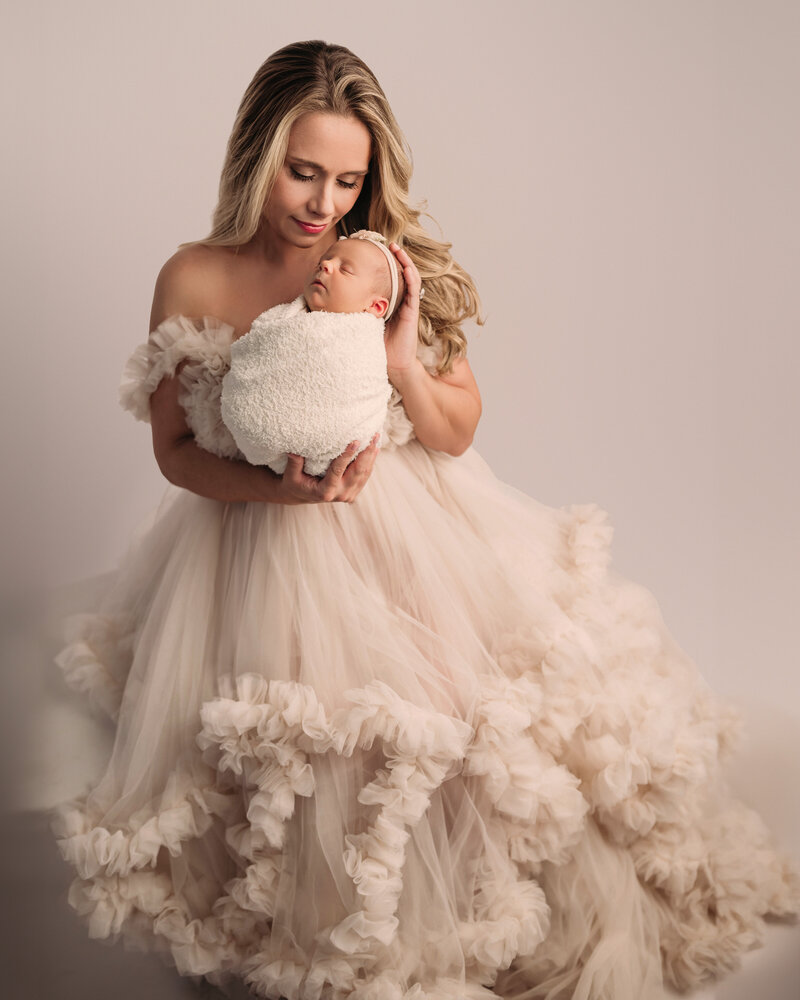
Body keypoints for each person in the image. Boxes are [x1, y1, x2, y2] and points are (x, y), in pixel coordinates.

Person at [49, 39, 798, 1000]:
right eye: (302, 171)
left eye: (346, 180)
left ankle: (464, 923)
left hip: (403, 531)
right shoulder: (192, 278)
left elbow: (454, 432)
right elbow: (175, 454)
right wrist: (282, 492)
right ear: (256, 156)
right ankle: (324, 946)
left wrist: (401, 353)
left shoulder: (381, 266)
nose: (321, 204)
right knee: (299, 757)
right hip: (254, 549)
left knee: (442, 723)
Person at [220, 231, 404, 477]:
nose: (325, 265)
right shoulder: (285, 319)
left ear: (375, 306)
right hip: (257, 449)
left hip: (342, 445)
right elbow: (256, 352)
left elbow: (358, 388)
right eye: (322, 262)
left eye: (346, 270)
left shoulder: (363, 341)